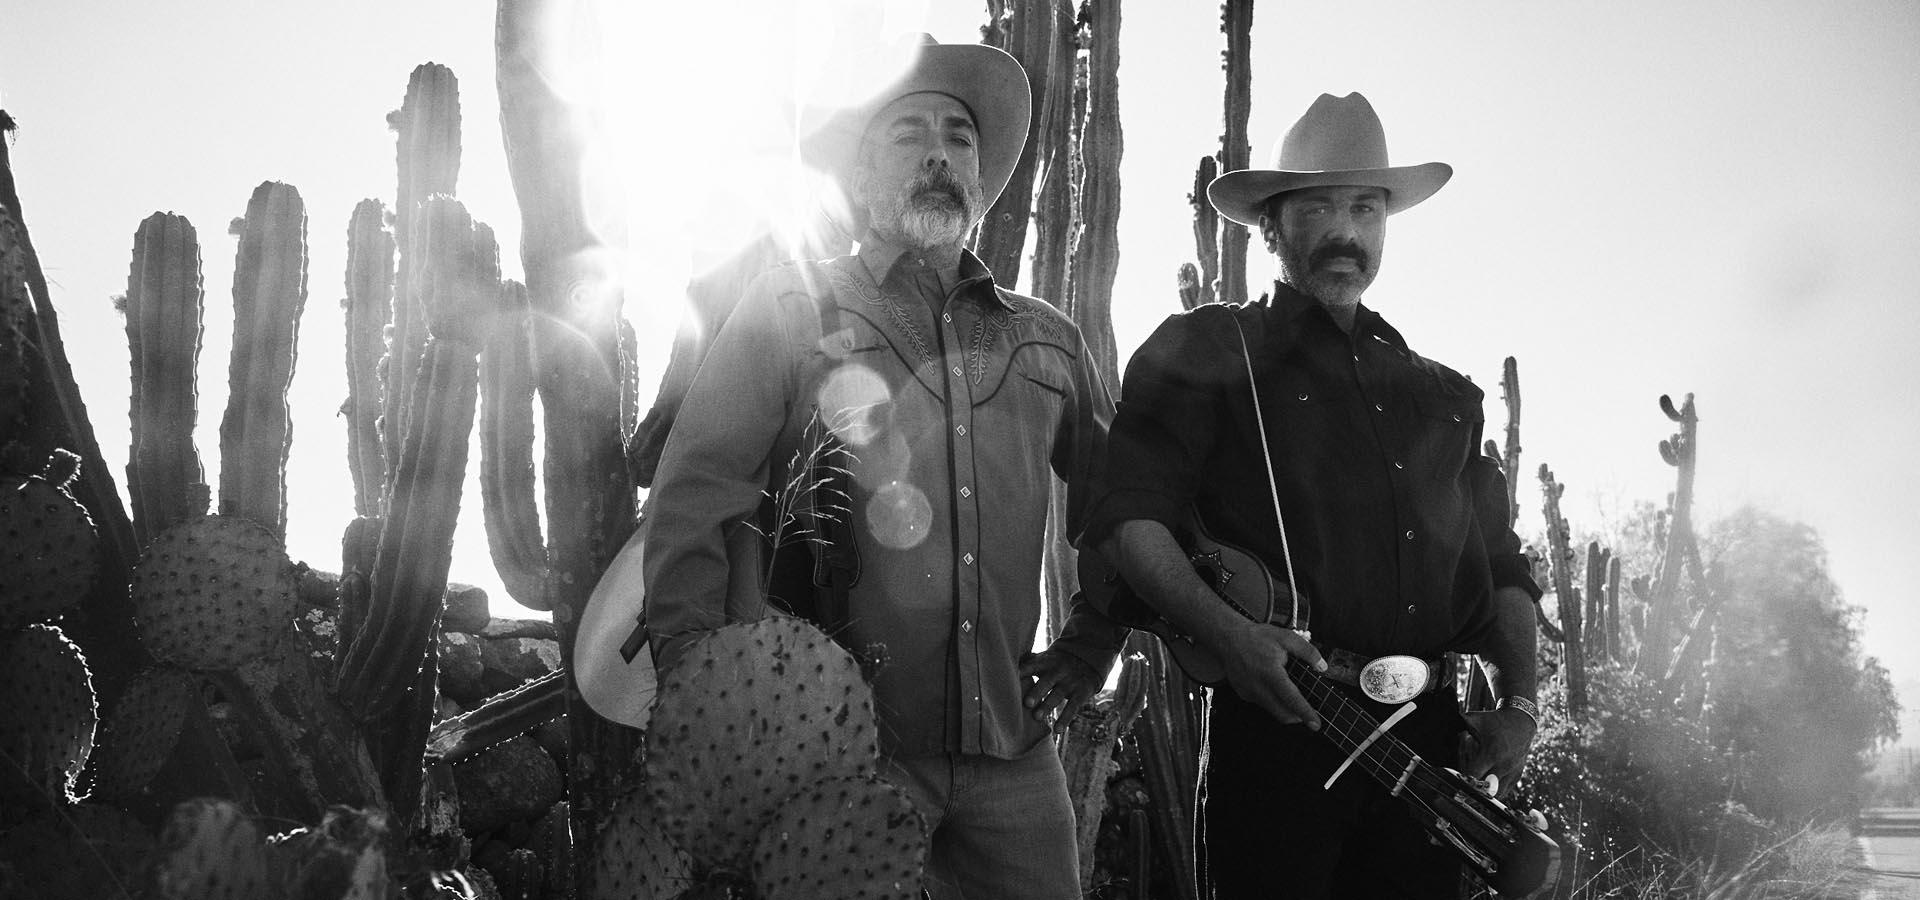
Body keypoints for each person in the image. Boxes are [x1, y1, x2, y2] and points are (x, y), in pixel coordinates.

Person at [641, 36, 1127, 899]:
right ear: (863, 176)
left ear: (978, 175)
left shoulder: (1049, 340)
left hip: (1014, 758)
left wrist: (1090, 646)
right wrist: (697, 680)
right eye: (909, 133)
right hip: (834, 751)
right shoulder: (793, 301)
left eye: (959, 136)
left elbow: (1121, 504)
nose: (939, 152)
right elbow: (697, 489)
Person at [1084, 92, 1544, 898]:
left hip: (1429, 747)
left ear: (1385, 225)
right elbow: (1130, 520)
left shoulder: (1445, 396)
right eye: (1320, 207)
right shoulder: (1209, 351)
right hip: (1282, 732)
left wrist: (1522, 708)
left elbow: (1504, 569)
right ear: (1271, 225)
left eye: (1365, 208)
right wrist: (1230, 637)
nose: (1345, 231)